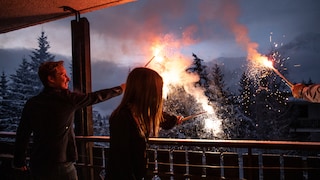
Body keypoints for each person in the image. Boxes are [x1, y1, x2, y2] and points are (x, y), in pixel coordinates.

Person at [13, 60, 125, 180]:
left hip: (38, 164)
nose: (68, 78)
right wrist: (121, 89)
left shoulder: (32, 103)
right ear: (50, 79)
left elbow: (22, 134)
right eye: (63, 75)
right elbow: (94, 97)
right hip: (61, 164)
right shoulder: (67, 100)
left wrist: (19, 161)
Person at [106, 67, 182, 180]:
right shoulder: (122, 118)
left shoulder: (140, 113)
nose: (159, 95)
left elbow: (163, 120)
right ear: (147, 91)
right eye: (157, 89)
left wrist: (175, 120)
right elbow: (121, 162)